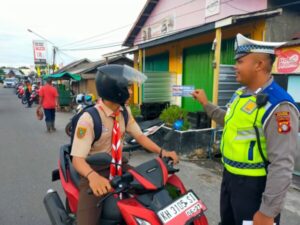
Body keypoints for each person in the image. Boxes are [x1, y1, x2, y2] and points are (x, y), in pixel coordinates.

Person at [192, 33, 299, 225]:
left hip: (255, 188)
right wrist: (206, 104)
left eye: (240, 61)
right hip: (230, 179)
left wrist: (268, 211)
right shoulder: (241, 94)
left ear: (258, 65)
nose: (235, 66)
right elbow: (230, 121)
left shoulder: (279, 105)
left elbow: (282, 164)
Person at [71, 64, 179, 225]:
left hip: (119, 166)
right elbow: (77, 159)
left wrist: (162, 151)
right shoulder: (88, 119)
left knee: (153, 191)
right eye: (127, 87)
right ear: (114, 90)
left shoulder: (124, 112)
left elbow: (140, 137)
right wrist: (92, 177)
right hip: (94, 170)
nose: (131, 91)